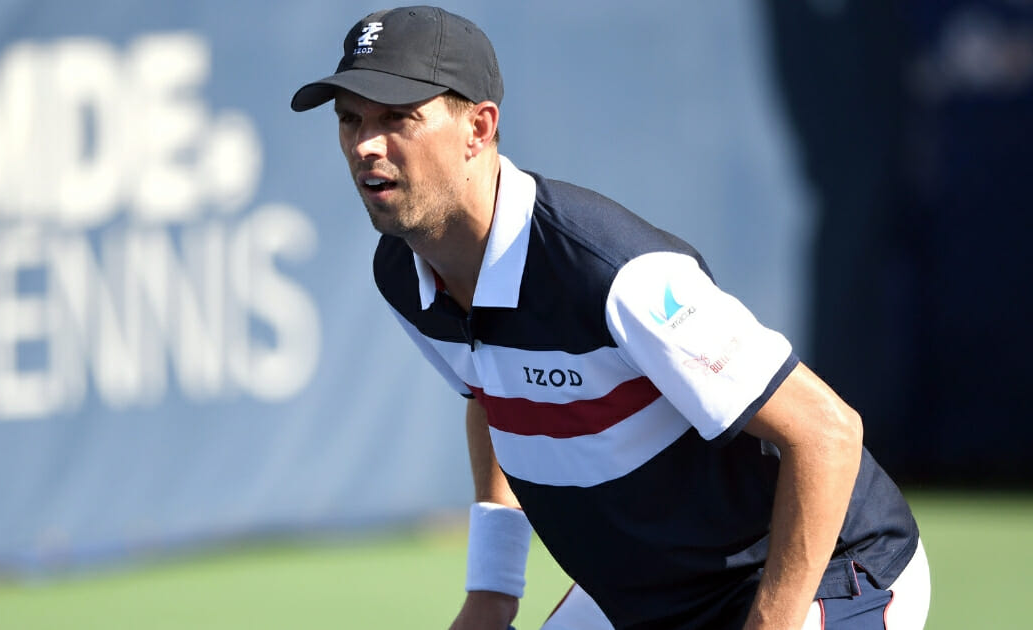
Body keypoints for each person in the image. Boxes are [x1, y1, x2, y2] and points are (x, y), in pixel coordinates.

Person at [291, 6, 930, 629]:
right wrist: (492, 592)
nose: (365, 145)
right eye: (351, 120)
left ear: (478, 129)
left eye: (398, 118)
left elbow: (828, 434)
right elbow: (493, 395)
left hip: (831, 574)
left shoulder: (615, 274)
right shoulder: (403, 269)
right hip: (646, 598)